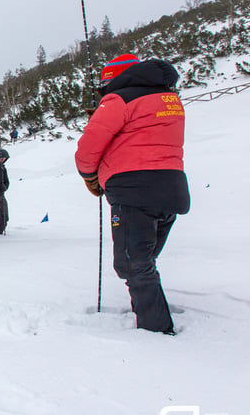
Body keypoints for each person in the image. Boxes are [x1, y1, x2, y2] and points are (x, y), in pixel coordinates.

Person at [75, 54, 189, 335]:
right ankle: (150, 311)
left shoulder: (119, 100)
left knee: (132, 262)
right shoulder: (169, 99)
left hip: (133, 189)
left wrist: (91, 177)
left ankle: (155, 329)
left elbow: (88, 150)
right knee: (144, 259)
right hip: (171, 186)